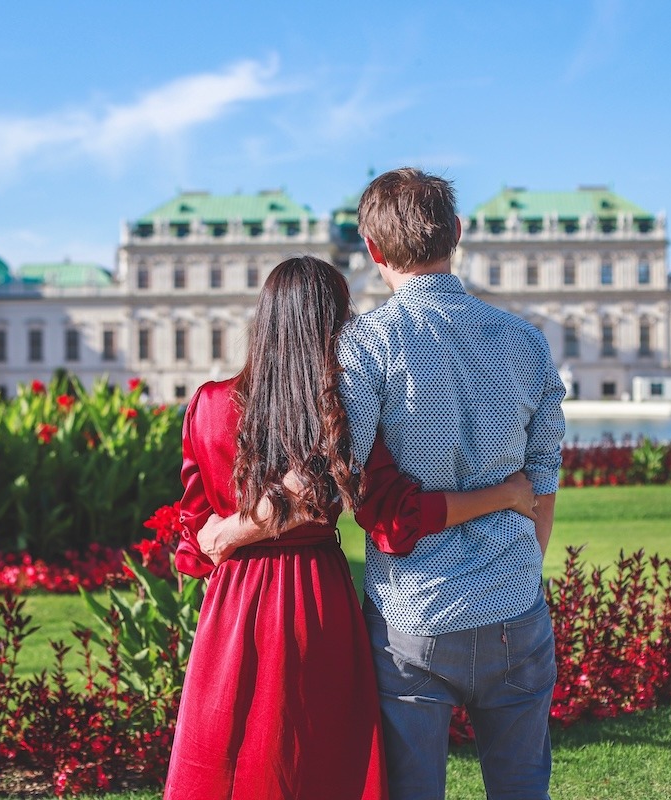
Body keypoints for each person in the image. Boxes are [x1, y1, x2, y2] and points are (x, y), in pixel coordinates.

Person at [163, 255, 540, 800]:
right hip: (317, 599)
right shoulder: (339, 408)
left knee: (230, 753)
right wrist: (503, 494)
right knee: (319, 761)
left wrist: (217, 538)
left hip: (235, 602)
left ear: (263, 319)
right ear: (337, 324)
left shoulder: (208, 405)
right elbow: (396, 518)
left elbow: (194, 541)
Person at [339, 167, 567, 799]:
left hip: (413, 609)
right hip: (513, 603)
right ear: (457, 234)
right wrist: (521, 570)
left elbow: (343, 476)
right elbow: (542, 481)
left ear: (374, 251)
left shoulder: (365, 345)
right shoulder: (526, 342)